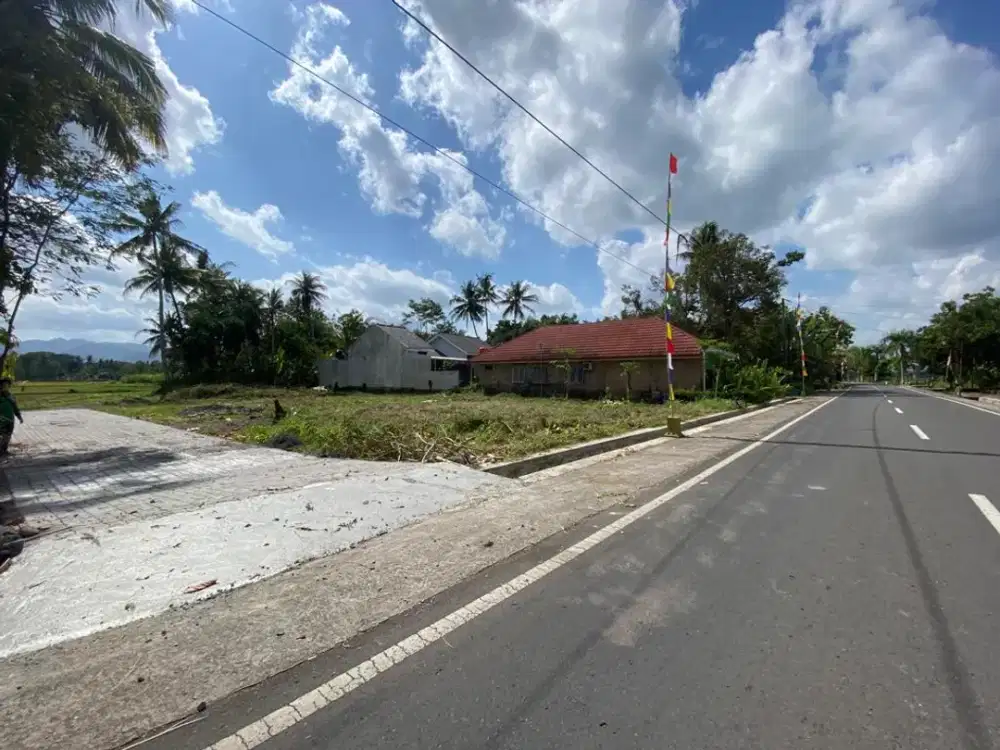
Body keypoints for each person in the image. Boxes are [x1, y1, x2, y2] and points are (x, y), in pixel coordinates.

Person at [0, 378, 23, 456]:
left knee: (8, 436)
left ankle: (4, 450)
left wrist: (19, 417)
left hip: (10, 420)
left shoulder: (11, 397)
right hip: (2, 420)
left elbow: (15, 408)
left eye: (7, 385)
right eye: (3, 385)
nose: (5, 387)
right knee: (4, 436)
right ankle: (1, 451)